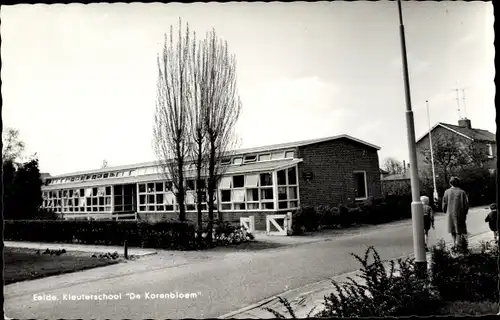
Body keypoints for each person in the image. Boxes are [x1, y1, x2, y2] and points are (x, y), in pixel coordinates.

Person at [442, 176, 470, 252]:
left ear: (450, 183)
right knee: (459, 231)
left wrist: (445, 210)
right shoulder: (462, 192)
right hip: (460, 214)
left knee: (452, 230)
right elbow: (466, 204)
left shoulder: (446, 192)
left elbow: (444, 203)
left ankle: (455, 244)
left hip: (450, 213)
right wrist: (465, 213)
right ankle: (458, 246)